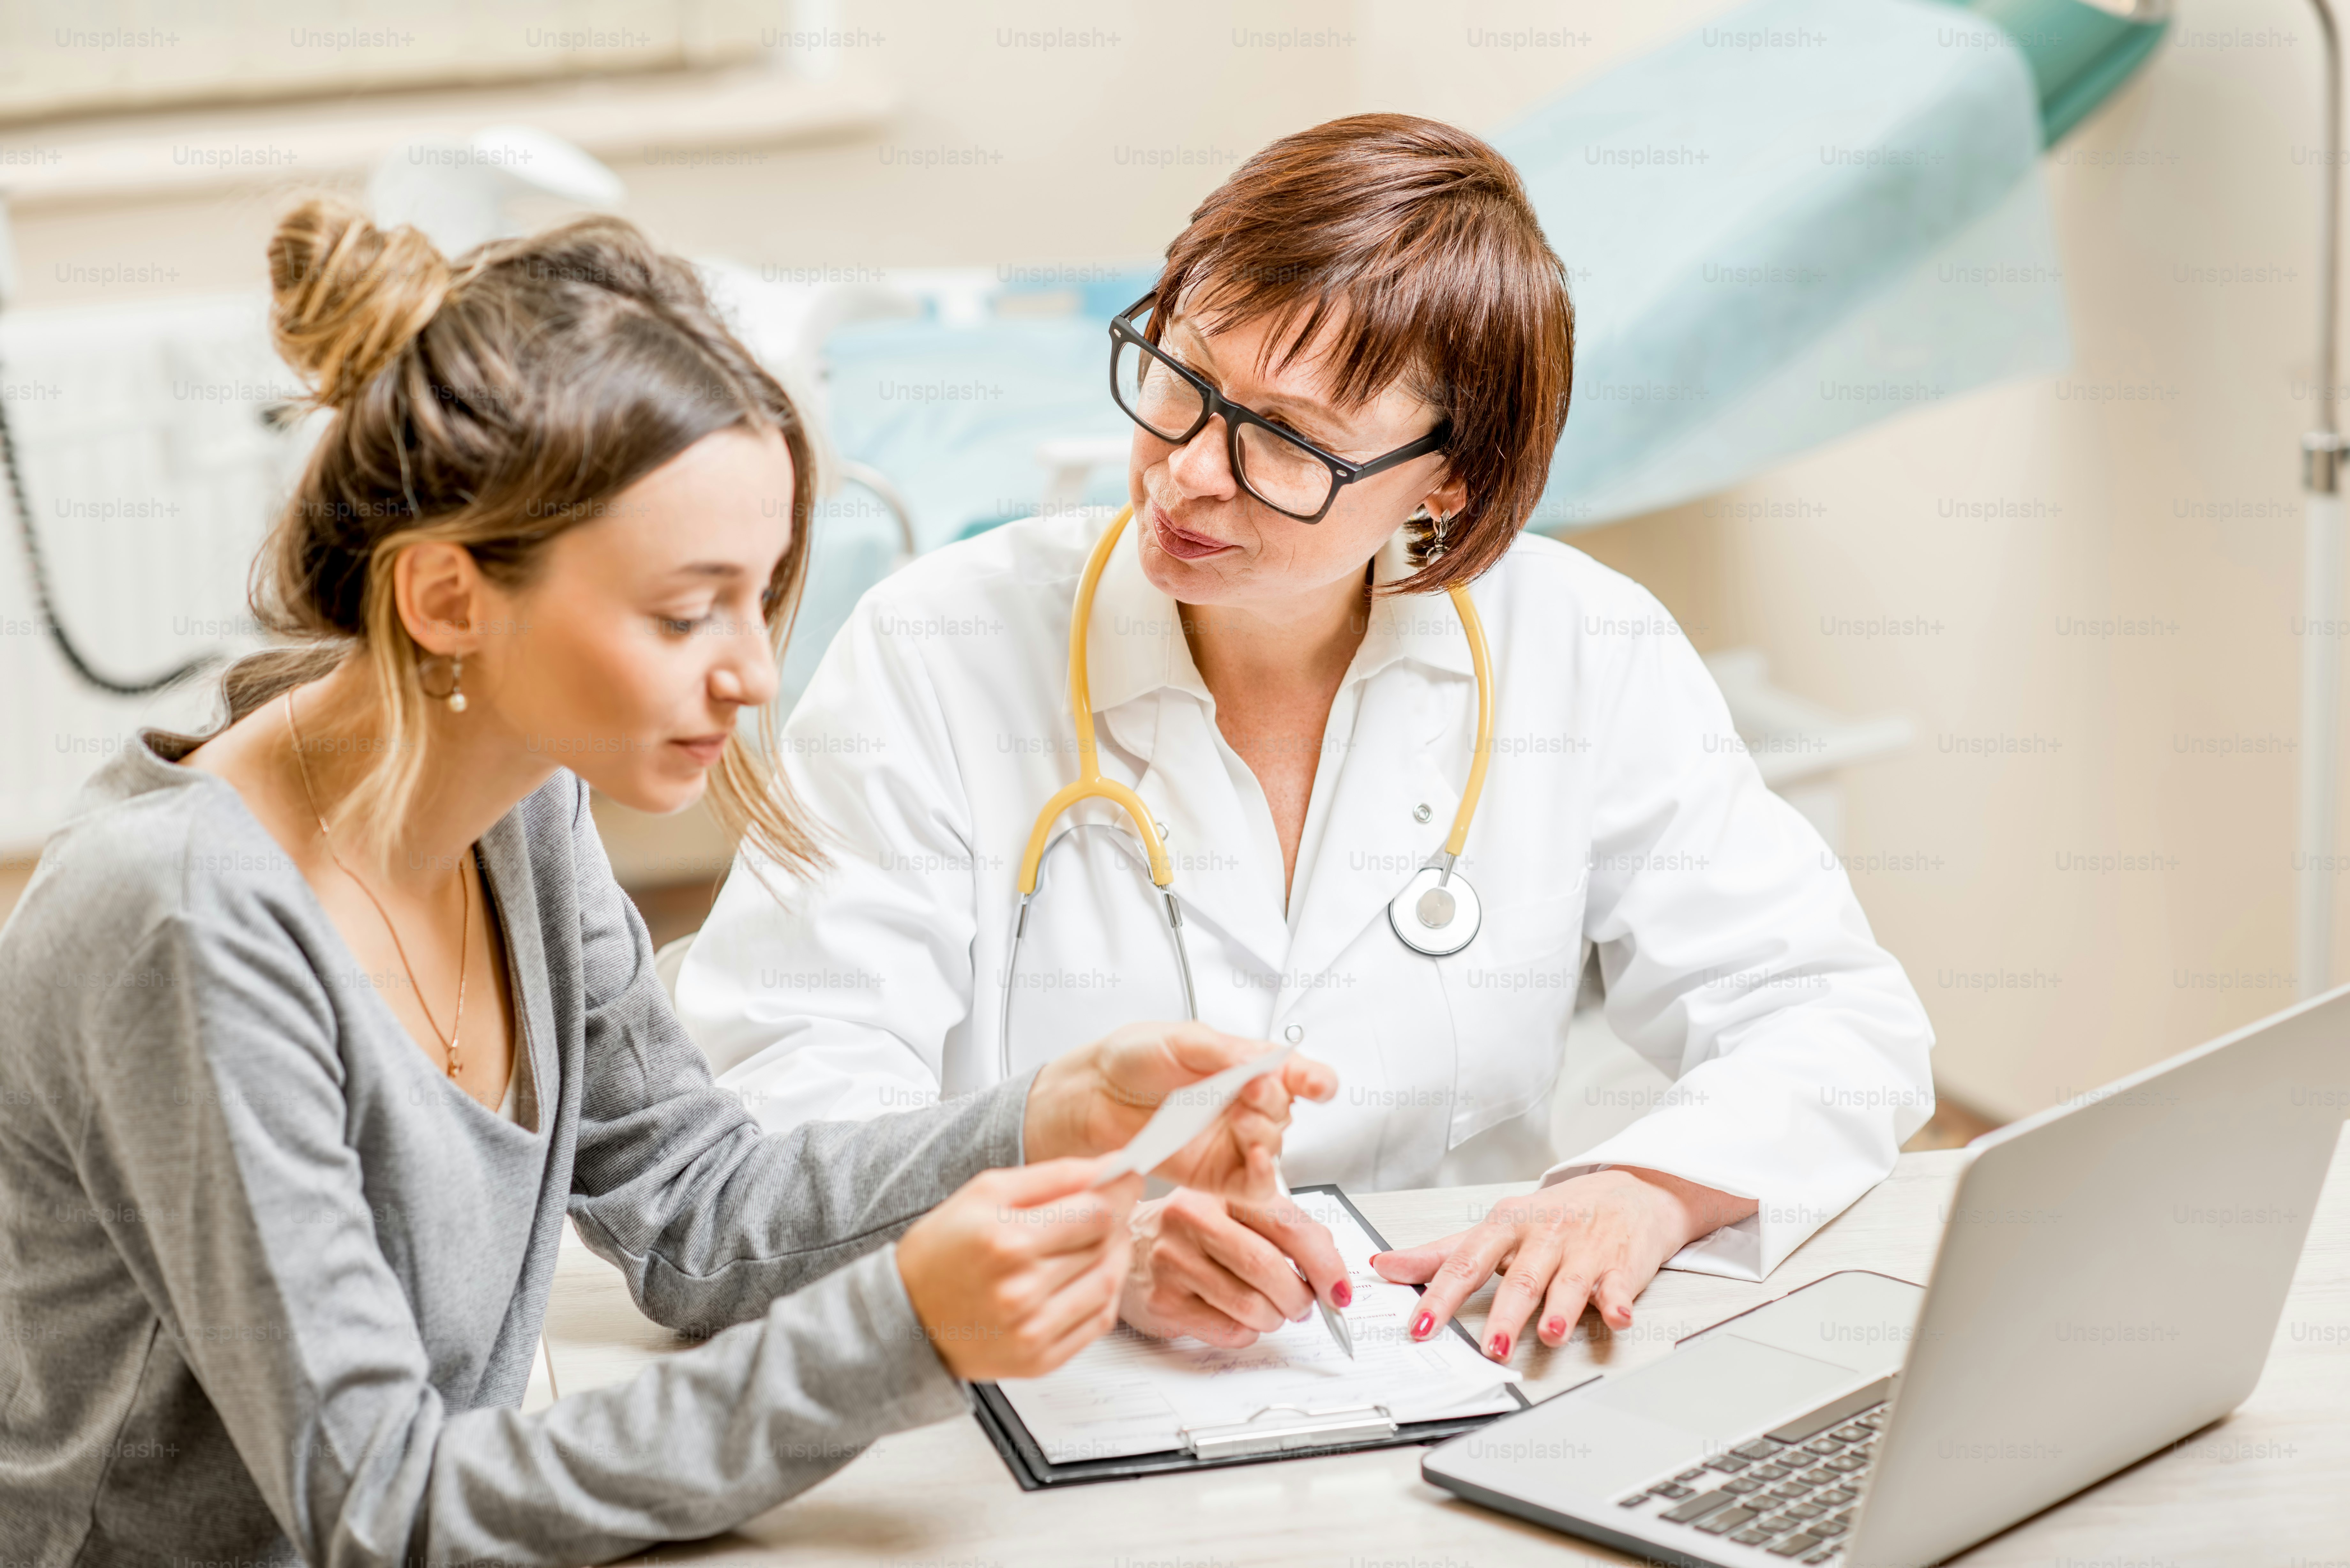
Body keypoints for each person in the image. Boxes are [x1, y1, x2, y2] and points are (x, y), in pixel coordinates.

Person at [0, 200, 1331, 1568]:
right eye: (686, 611)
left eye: (761, 598)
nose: (753, 673)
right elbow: (383, 1509)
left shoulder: (518, 806)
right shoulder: (184, 921)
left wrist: (1046, 1121)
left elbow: (695, 1212)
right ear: (448, 599)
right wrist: (900, 1331)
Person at [675, 113, 1937, 1365]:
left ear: (1450, 481)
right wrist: (1089, 1245)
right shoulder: (940, 645)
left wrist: (1647, 1186)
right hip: (1040, 1375)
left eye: (1286, 442)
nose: (1189, 473)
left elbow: (1828, 1013)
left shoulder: (1581, 647)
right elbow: (786, 1101)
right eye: (1179, 378)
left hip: (1446, 1361)